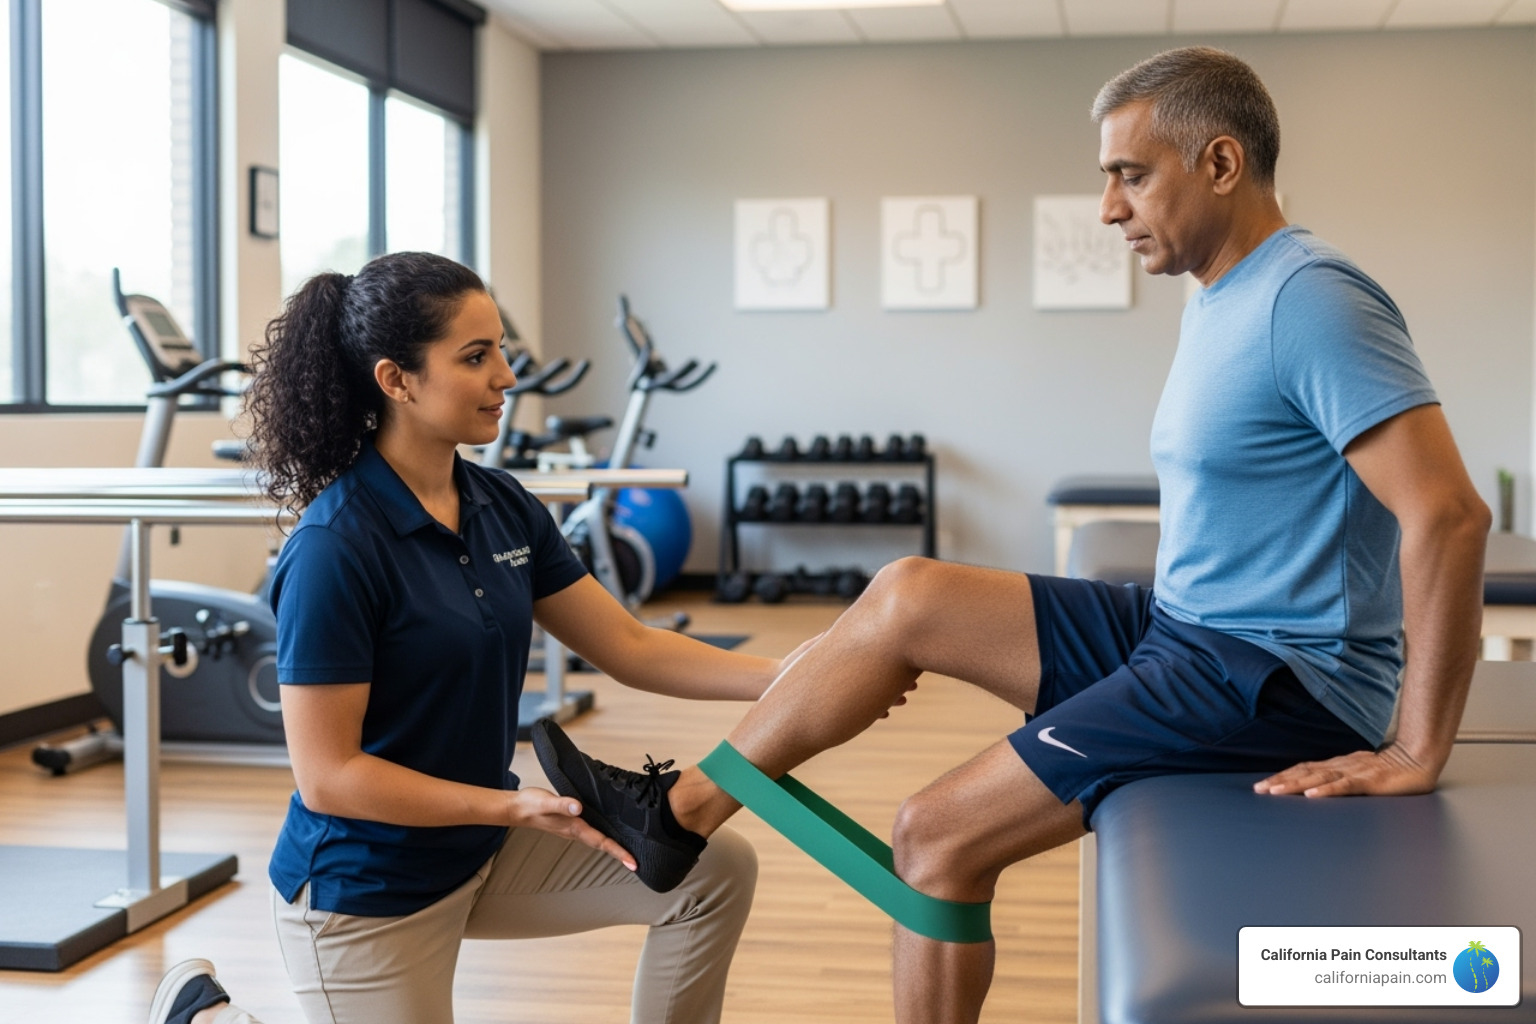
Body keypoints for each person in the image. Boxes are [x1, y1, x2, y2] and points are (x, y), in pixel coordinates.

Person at [532, 46, 1491, 1024]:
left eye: (1131, 174)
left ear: (1220, 163)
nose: (1111, 208)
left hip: (1273, 677)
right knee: (909, 590)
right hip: (1185, 625)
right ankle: (681, 812)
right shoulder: (1221, 294)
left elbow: (1450, 513)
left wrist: (1417, 746)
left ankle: (676, 818)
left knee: (934, 834)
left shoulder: (1311, 297)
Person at [148, 251, 796, 1024]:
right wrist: (508, 810)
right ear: (397, 379)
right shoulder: (336, 547)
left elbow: (630, 646)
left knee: (710, 871)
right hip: (366, 892)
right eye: (476, 357)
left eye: (502, 352)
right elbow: (330, 776)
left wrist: (793, 674)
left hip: (478, 850)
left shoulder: (499, 503)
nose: (507, 378)